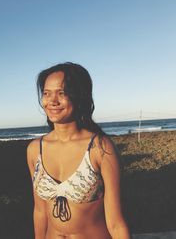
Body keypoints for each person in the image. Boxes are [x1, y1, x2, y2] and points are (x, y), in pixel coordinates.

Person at [27, 62, 131, 239]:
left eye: (62, 93)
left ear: (80, 96)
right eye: (46, 93)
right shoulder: (35, 149)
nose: (52, 101)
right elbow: (40, 212)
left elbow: (116, 223)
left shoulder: (100, 148)